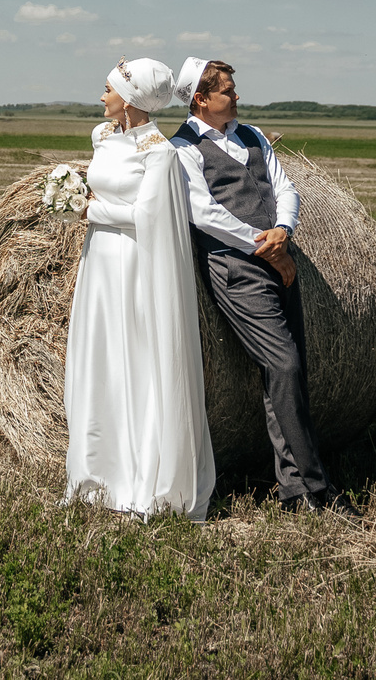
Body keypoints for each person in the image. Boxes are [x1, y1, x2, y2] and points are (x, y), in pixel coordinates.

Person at [170, 56, 349, 516]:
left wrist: (283, 231)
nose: (236, 95)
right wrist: (266, 245)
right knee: (285, 365)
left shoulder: (251, 134)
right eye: (227, 90)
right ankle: (317, 489)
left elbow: (285, 187)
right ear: (201, 99)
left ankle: (293, 491)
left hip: (277, 257)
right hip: (236, 270)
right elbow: (204, 213)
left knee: (288, 373)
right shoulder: (183, 149)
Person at [61, 57, 216, 520]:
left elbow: (151, 219)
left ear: (130, 100)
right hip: (98, 265)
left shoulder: (159, 153)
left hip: (132, 266)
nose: (101, 95)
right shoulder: (102, 137)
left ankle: (137, 476)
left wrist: (86, 211)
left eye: (108, 88)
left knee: (136, 359)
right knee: (99, 358)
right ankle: (94, 473)